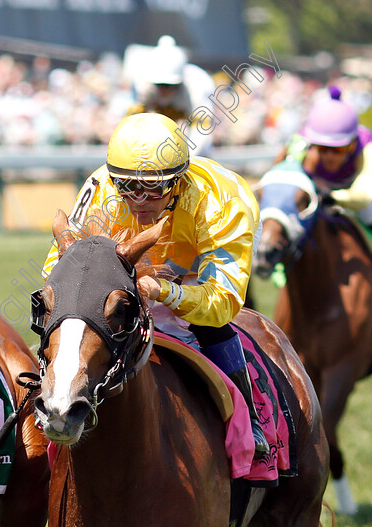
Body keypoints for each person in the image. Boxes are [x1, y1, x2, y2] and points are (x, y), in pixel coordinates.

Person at [42, 112, 268, 458]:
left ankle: (251, 420)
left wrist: (165, 291)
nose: (140, 199)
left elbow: (222, 301)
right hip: (129, 267)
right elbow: (58, 270)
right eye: (128, 187)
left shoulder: (223, 203)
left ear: (178, 180)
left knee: (210, 326)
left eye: (154, 187)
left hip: (196, 269)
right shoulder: (103, 189)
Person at [276, 85, 372, 224]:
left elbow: (364, 197)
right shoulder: (301, 146)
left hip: (356, 204)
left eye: (338, 149)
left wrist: (332, 197)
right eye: (322, 148)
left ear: (352, 145)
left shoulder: (366, 149)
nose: (329, 156)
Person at [127, 35, 216, 156]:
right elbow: (131, 125)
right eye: (160, 85)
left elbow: (201, 130)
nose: (165, 90)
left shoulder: (197, 86)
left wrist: (188, 157)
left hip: (190, 136)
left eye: (170, 85)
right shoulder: (142, 85)